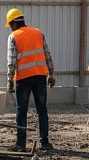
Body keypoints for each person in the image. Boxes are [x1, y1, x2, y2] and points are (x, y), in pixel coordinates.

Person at [6, 8, 55, 152]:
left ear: (13, 23)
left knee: (21, 111)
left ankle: (21, 144)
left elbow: (11, 61)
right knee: (42, 110)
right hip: (40, 76)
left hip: (23, 78)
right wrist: (51, 73)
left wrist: (9, 80)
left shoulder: (13, 36)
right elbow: (48, 54)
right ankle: (44, 142)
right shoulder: (38, 33)